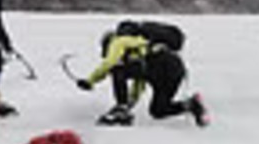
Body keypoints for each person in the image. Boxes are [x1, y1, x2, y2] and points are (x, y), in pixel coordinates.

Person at [77, 20, 209, 126]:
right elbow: (139, 82)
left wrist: (90, 81)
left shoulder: (119, 41)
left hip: (161, 66)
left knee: (117, 69)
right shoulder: (141, 46)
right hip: (175, 70)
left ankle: (121, 111)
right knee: (158, 110)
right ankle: (192, 104)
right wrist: (130, 104)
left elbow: (110, 63)